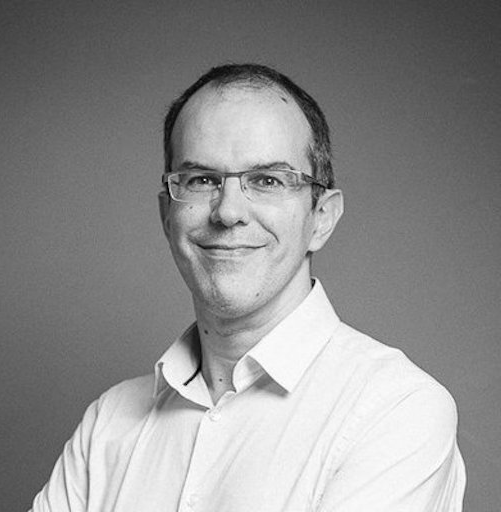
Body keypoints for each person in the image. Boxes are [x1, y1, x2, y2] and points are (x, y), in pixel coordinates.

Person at [29, 63, 466, 511]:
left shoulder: (397, 410)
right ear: (167, 216)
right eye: (202, 180)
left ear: (321, 218)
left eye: (267, 180)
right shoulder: (108, 423)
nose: (228, 211)